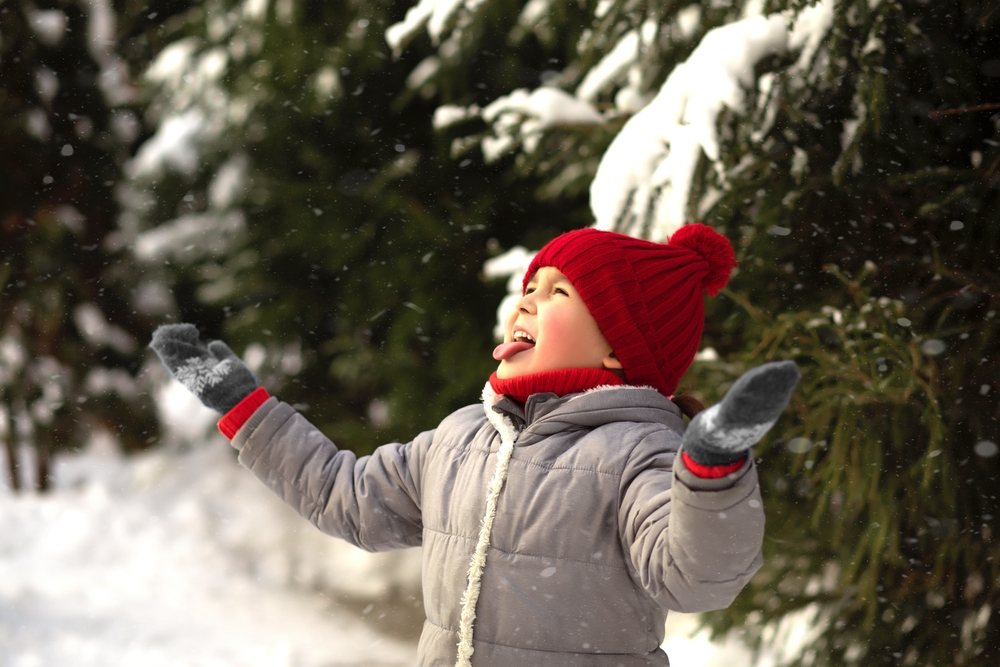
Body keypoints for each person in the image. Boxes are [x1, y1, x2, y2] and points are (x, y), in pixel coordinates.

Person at [150, 223, 800, 667]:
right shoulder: (463, 438)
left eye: (559, 293)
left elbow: (693, 574)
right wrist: (245, 407)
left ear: (616, 347)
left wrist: (710, 469)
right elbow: (345, 496)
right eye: (529, 289)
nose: (528, 304)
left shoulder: (634, 452)